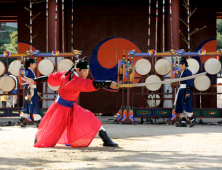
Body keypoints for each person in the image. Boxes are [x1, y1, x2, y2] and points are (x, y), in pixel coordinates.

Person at [22, 57, 118, 147]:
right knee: (52, 128)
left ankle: (105, 139)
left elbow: (50, 77)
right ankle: (39, 138)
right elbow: (93, 84)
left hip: (68, 107)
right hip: (62, 109)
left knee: (90, 118)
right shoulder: (76, 82)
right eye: (84, 71)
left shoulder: (66, 74)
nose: (86, 73)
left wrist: (35, 80)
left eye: (87, 71)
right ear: (77, 70)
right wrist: (108, 83)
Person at [16, 58, 42, 127]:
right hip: (30, 91)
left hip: (32, 91)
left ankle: (20, 121)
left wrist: (36, 91)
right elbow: (27, 83)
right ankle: (39, 121)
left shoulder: (30, 71)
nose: (35, 65)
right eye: (34, 63)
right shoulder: (28, 72)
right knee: (34, 105)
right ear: (31, 64)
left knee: (27, 107)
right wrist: (29, 93)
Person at [173, 58, 196, 127]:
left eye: (180, 65)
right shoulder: (183, 72)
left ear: (183, 65)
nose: (179, 66)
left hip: (185, 91)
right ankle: (183, 121)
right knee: (181, 105)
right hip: (181, 90)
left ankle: (192, 119)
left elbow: (189, 82)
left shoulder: (188, 72)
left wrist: (188, 92)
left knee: (184, 106)